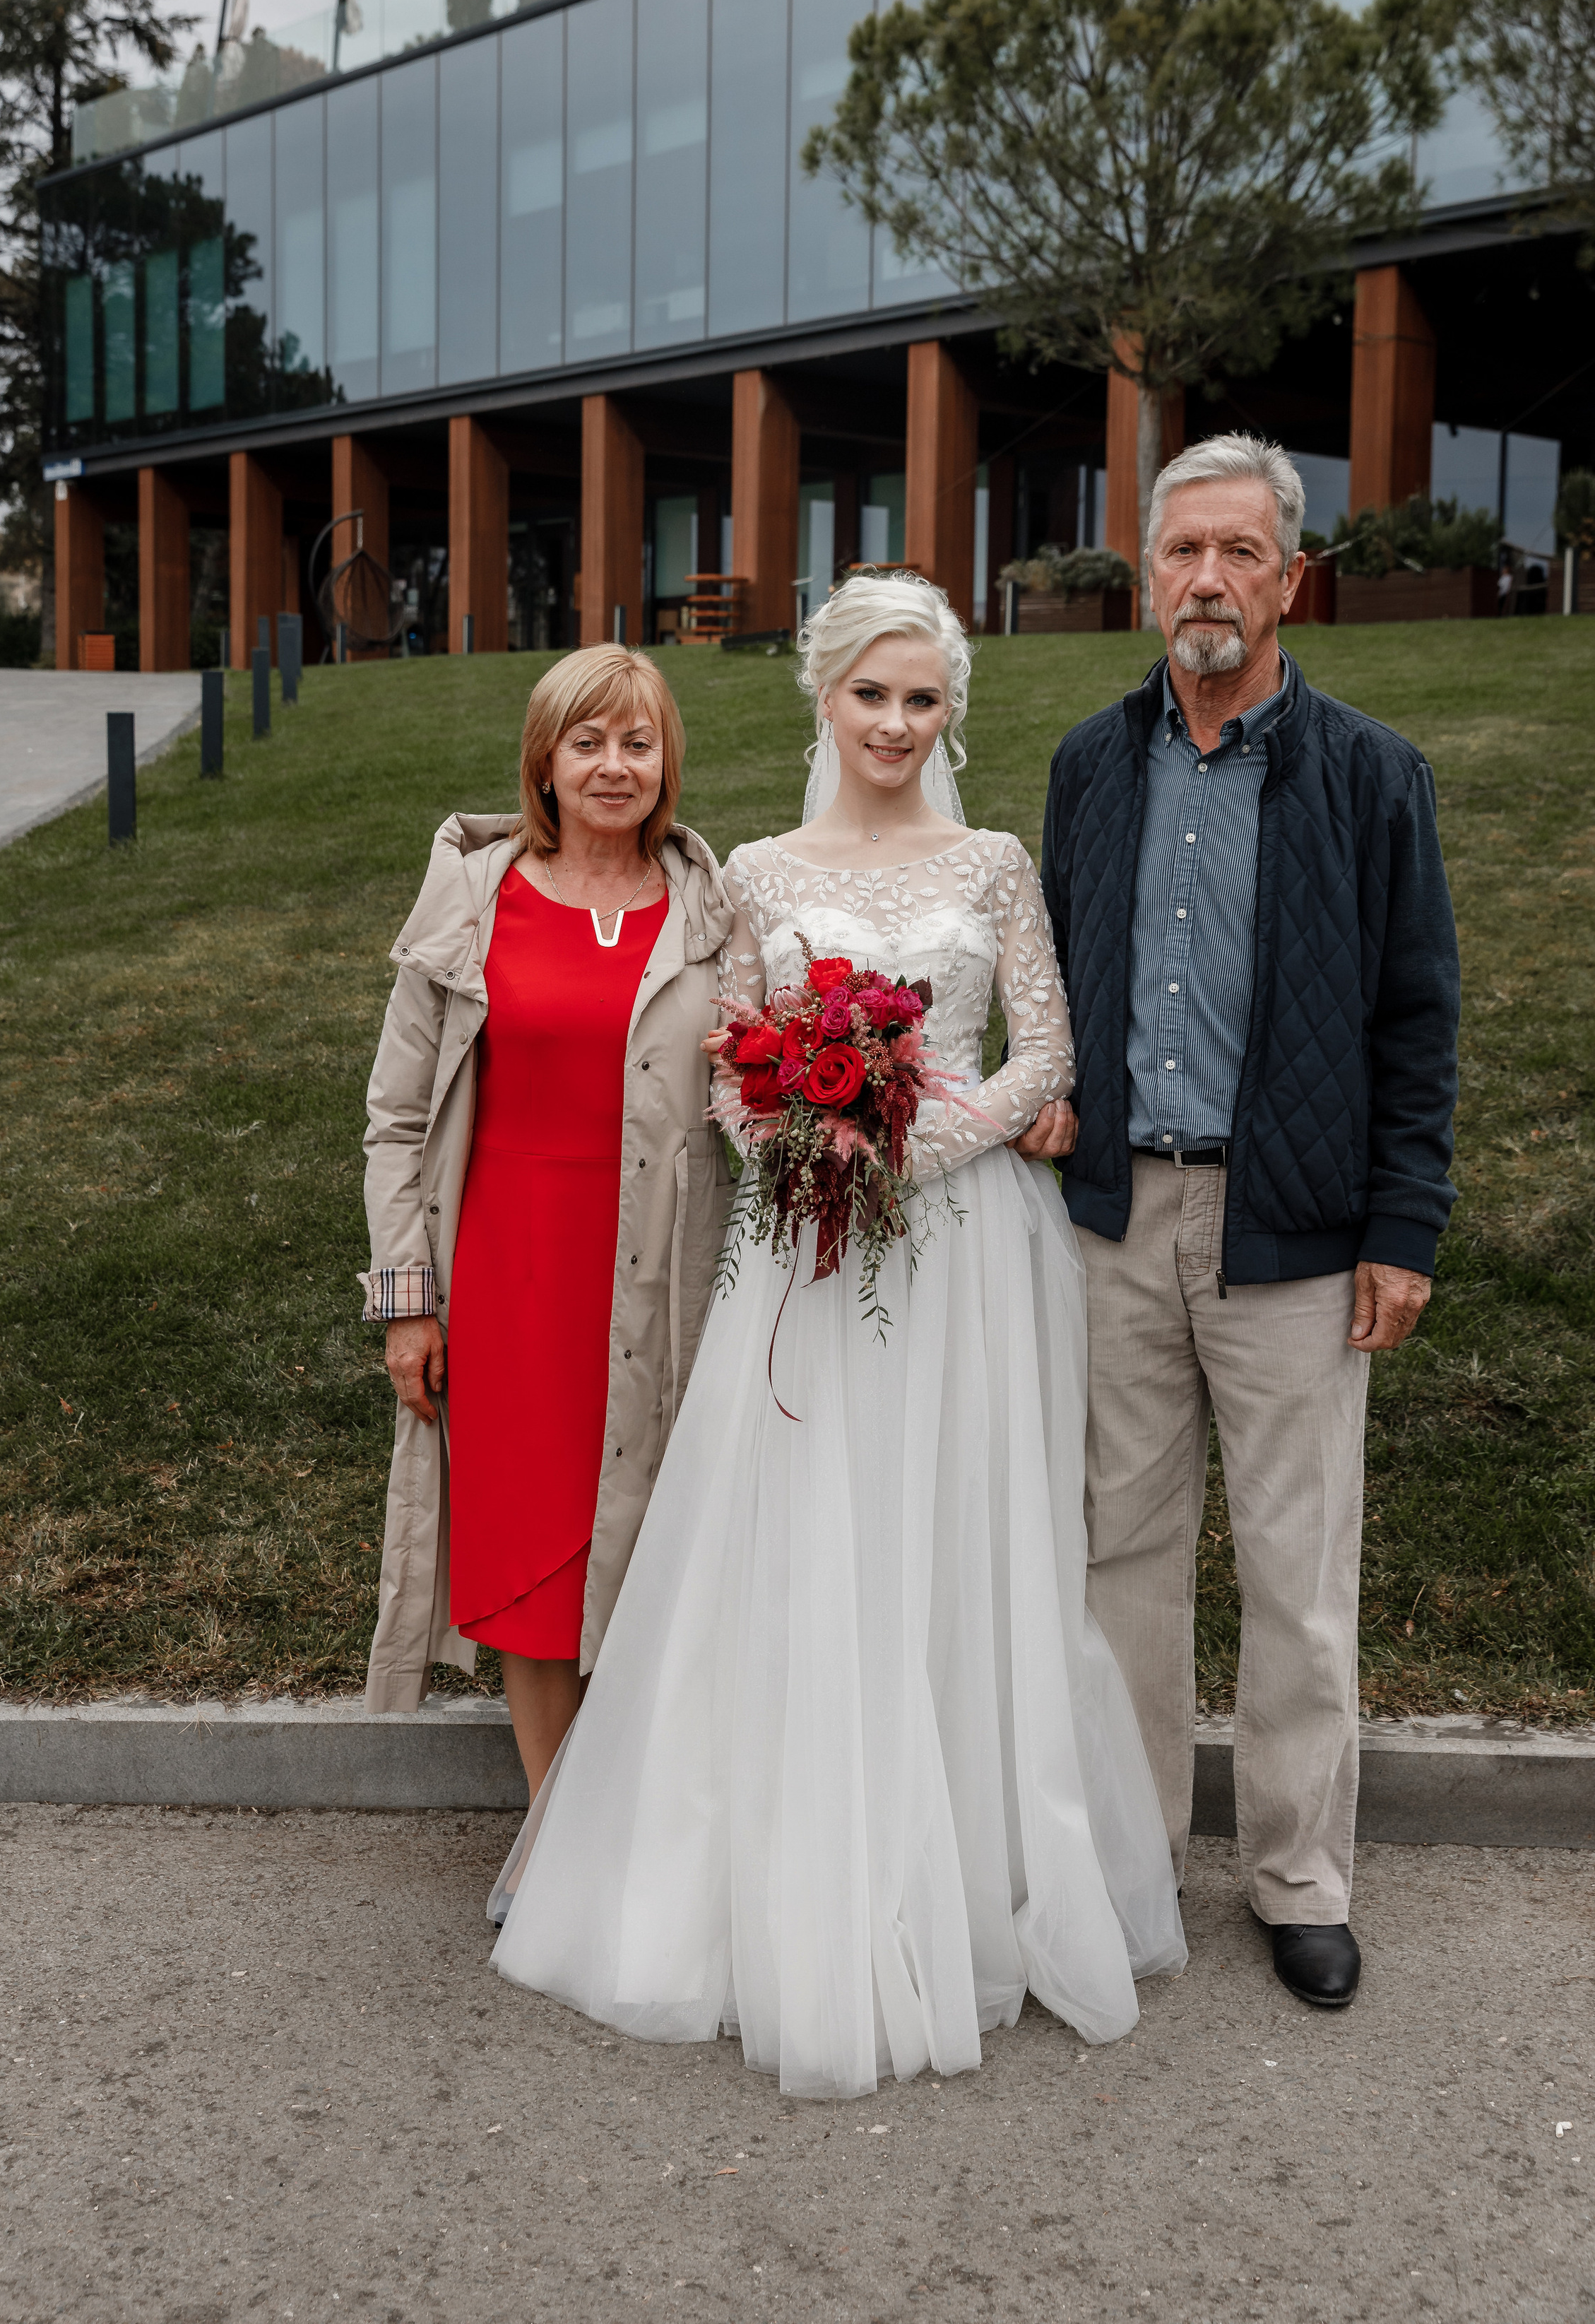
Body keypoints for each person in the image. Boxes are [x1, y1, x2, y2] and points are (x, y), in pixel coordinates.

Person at [491, 573, 1185, 2100]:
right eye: (871, 694)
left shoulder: (994, 862)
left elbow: (1045, 1051)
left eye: (921, 699)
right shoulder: (755, 870)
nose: (894, 723)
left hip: (966, 1251)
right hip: (807, 1248)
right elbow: (732, 1063)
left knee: (958, 1531)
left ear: (950, 714)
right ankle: (790, 1873)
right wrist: (804, 1145)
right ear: (825, 698)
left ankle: (975, 1867)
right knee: (803, 1532)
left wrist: (912, 1149)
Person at [1034, 431, 1459, 2014]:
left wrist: (1402, 1226)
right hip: (1113, 1225)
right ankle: (1133, 1861)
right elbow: (1051, 973)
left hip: (1293, 1231)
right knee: (1120, 1563)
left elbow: (1416, 1019)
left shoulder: (1370, 774)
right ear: (1147, 572)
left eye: (1239, 553)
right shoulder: (1090, 764)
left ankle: (1297, 1879)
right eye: (1181, 551)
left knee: (1297, 1576)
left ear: (1292, 578)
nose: (1206, 579)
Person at [359, 647, 734, 1800]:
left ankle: (642, 1817)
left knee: (656, 1538)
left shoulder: (716, 910)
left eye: (638, 743)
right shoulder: (476, 899)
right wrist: (406, 1304)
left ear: (667, 762)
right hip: (512, 1272)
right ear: (545, 762)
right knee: (533, 1552)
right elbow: (397, 1119)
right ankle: (555, 1825)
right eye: (588, 742)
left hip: (664, 1268)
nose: (614, 767)